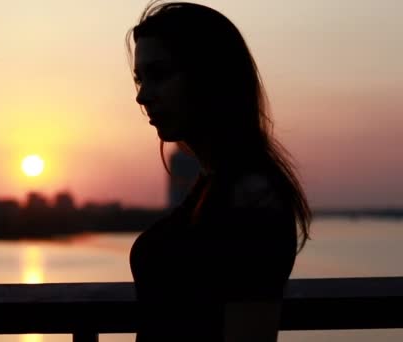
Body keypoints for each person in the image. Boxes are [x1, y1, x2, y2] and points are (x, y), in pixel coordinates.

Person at [125, 1, 313, 341]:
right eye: (139, 78)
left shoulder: (253, 197)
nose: (142, 96)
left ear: (209, 76)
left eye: (159, 75)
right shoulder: (214, 182)